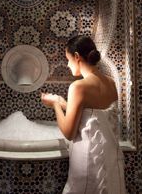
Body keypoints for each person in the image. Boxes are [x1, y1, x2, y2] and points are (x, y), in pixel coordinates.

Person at [41, 35, 126, 194]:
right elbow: (94, 113)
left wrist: (55, 105)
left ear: (77, 57)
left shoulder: (78, 87)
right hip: (110, 158)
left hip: (88, 160)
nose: (67, 64)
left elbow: (69, 133)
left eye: (68, 59)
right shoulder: (111, 83)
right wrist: (63, 103)